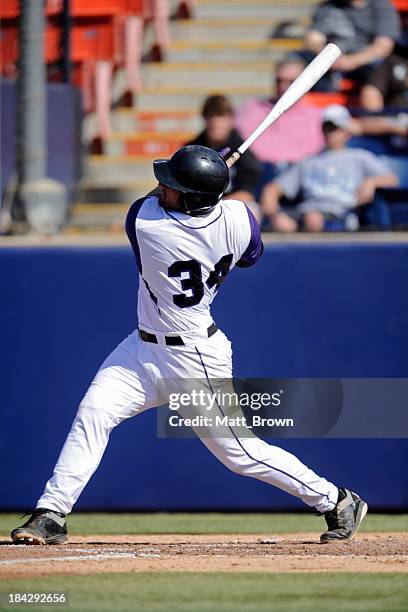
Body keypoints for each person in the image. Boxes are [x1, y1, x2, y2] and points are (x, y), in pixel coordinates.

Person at [11, 145, 367, 545]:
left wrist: (211, 173)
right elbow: (252, 255)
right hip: (141, 349)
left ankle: (335, 499)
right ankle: (51, 512)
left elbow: (149, 199)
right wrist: (210, 181)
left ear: (192, 198)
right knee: (93, 412)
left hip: (194, 358)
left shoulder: (147, 224)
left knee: (241, 455)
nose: (164, 187)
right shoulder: (238, 218)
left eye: (174, 185)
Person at [261, 105, 399, 232]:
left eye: (336, 128)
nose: (331, 133)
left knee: (313, 219)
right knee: (282, 223)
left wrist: (372, 182)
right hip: (306, 213)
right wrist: (273, 214)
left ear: (347, 131)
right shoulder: (308, 161)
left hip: (342, 213)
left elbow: (392, 179)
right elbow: (273, 188)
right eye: (327, 128)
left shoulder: (360, 157)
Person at [235, 58, 324, 165]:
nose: (283, 87)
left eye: (291, 82)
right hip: (259, 171)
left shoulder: (318, 116)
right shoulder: (252, 108)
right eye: (279, 81)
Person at [187, 95, 262, 220]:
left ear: (231, 120)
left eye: (221, 116)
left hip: (231, 206)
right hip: (198, 208)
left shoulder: (242, 150)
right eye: (211, 116)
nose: (215, 122)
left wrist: (216, 205)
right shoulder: (192, 150)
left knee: (252, 210)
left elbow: (247, 194)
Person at [304, 0, 400, 96]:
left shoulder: (381, 5)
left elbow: (383, 47)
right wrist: (330, 58)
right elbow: (313, 39)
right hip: (331, 63)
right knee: (293, 69)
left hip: (366, 64)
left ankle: (372, 110)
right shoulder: (329, 6)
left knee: (375, 82)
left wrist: (351, 61)